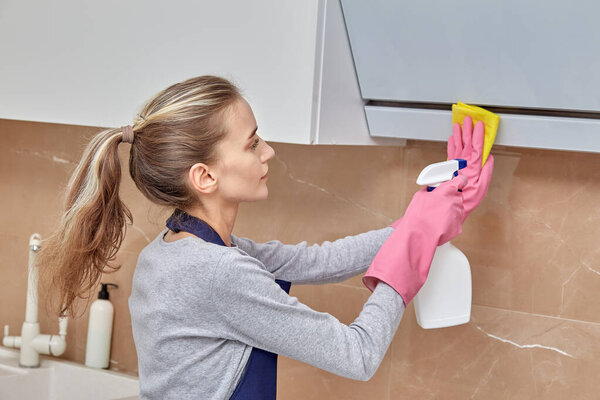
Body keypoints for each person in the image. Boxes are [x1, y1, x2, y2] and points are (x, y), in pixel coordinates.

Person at [38, 75, 493, 399]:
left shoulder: (177, 249)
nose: (268, 151)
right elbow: (358, 355)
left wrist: (426, 215)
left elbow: (315, 261)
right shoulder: (216, 272)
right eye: (252, 143)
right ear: (205, 175)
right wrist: (412, 245)